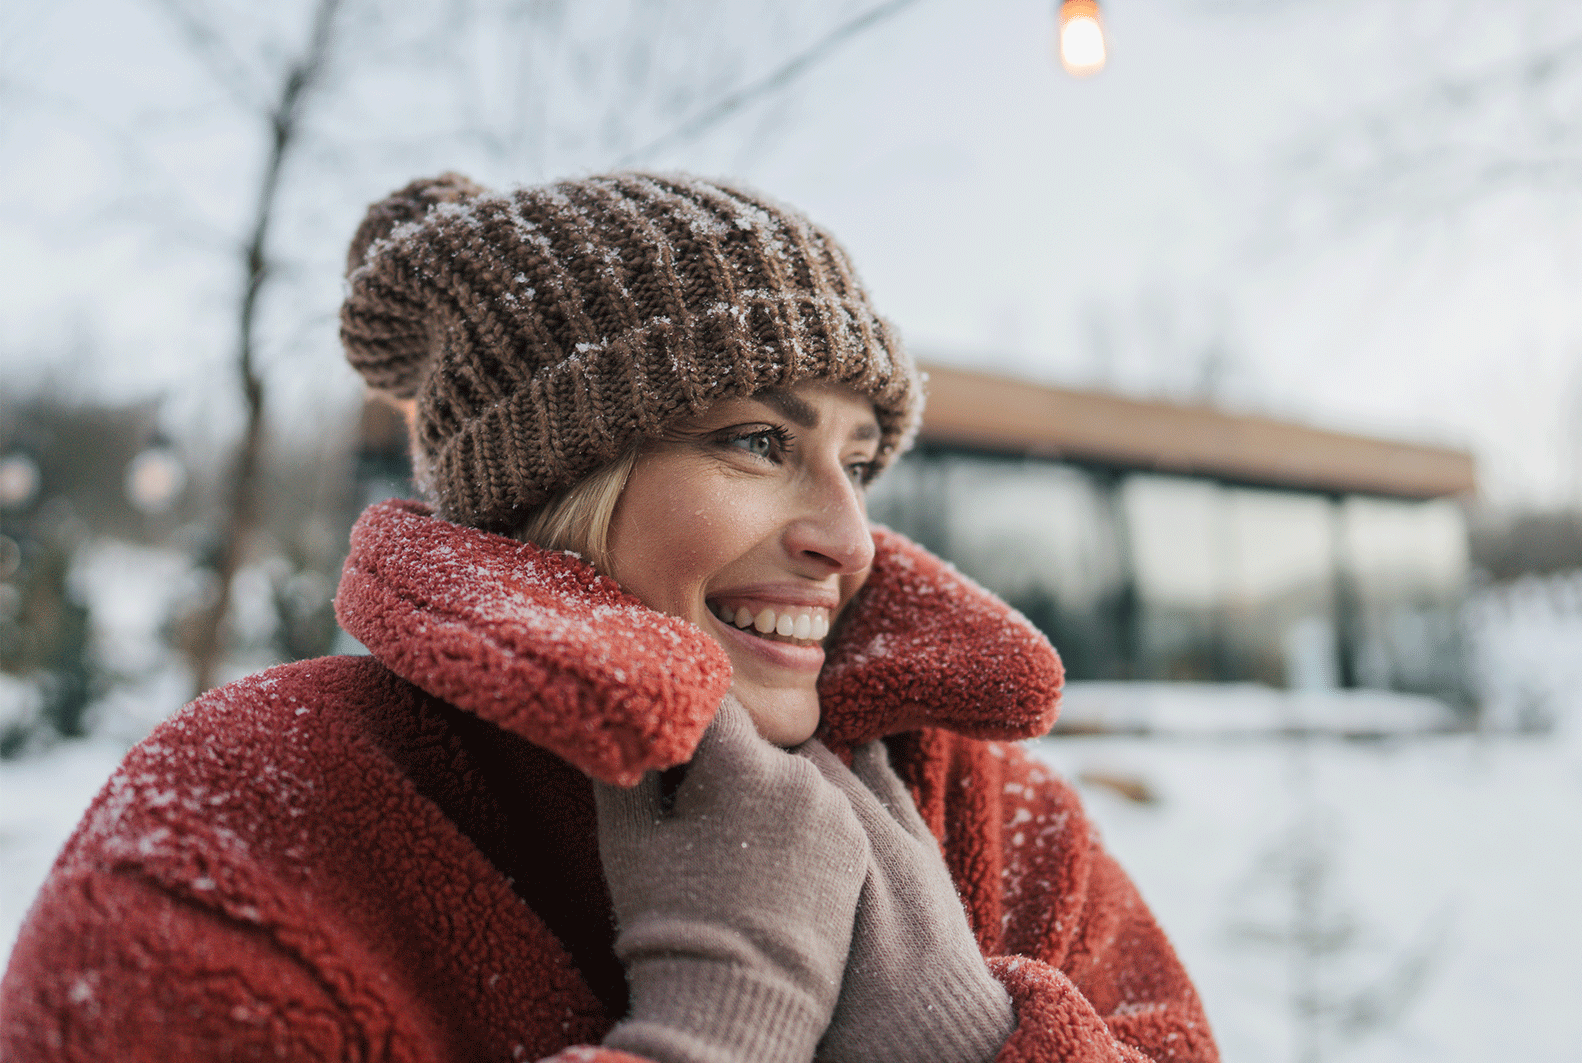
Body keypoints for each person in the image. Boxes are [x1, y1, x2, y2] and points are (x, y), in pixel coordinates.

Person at [0, 172, 1219, 1062]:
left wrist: (969, 1038)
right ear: (557, 483)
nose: (847, 540)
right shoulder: (262, 812)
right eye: (758, 440)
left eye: (860, 460)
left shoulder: (992, 811)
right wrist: (719, 1027)